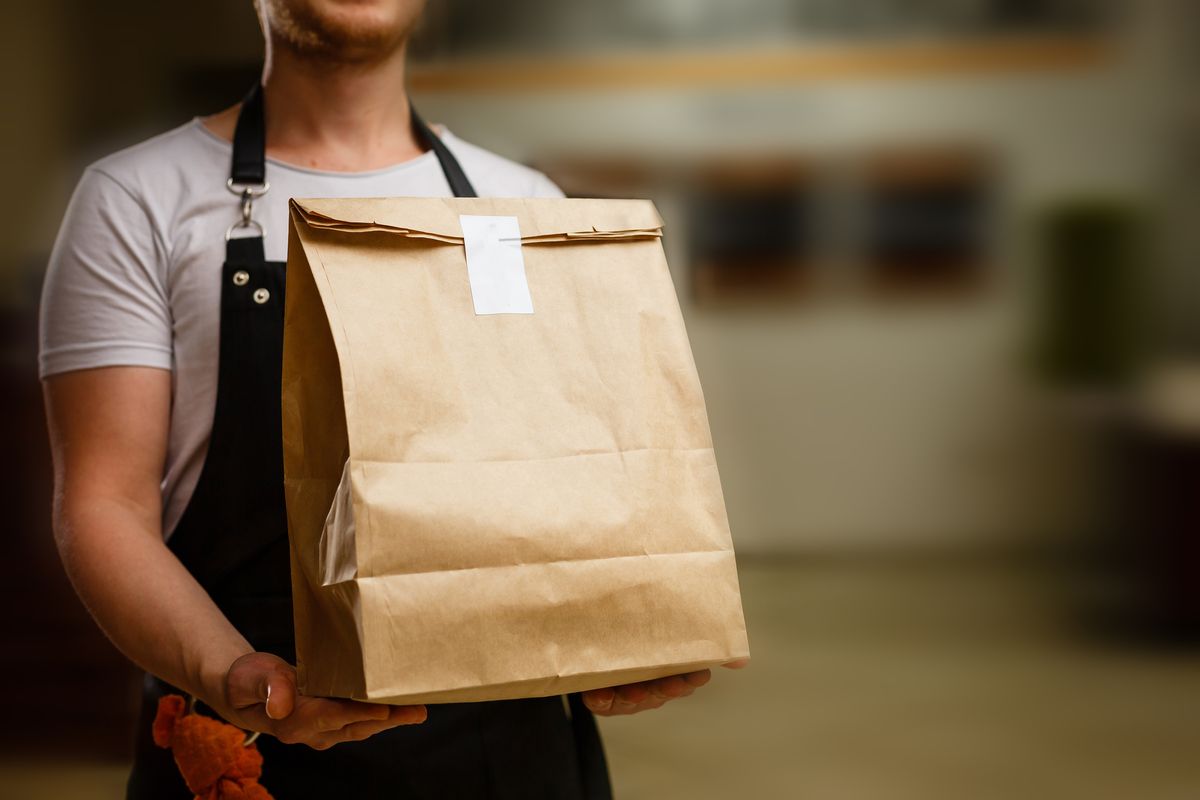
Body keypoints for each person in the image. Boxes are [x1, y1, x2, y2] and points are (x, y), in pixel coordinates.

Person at [39, 1, 739, 798]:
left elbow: (583, 475)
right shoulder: (136, 200)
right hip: (249, 748)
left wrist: (634, 628)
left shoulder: (524, 206)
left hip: (508, 755)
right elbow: (104, 505)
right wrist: (233, 672)